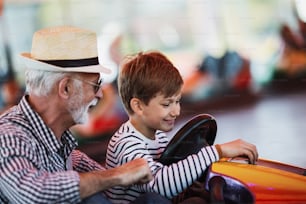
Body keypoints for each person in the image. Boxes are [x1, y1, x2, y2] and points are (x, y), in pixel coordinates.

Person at [0, 26, 171, 204]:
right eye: (95, 85)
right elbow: (35, 193)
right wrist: (119, 174)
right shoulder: (8, 136)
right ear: (66, 88)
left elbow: (116, 185)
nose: (99, 94)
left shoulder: (62, 145)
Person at [105, 51, 258, 203]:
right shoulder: (126, 144)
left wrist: (189, 187)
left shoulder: (157, 136)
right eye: (166, 104)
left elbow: (171, 177)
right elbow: (159, 186)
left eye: (177, 101)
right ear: (138, 106)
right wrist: (217, 152)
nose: (176, 111)